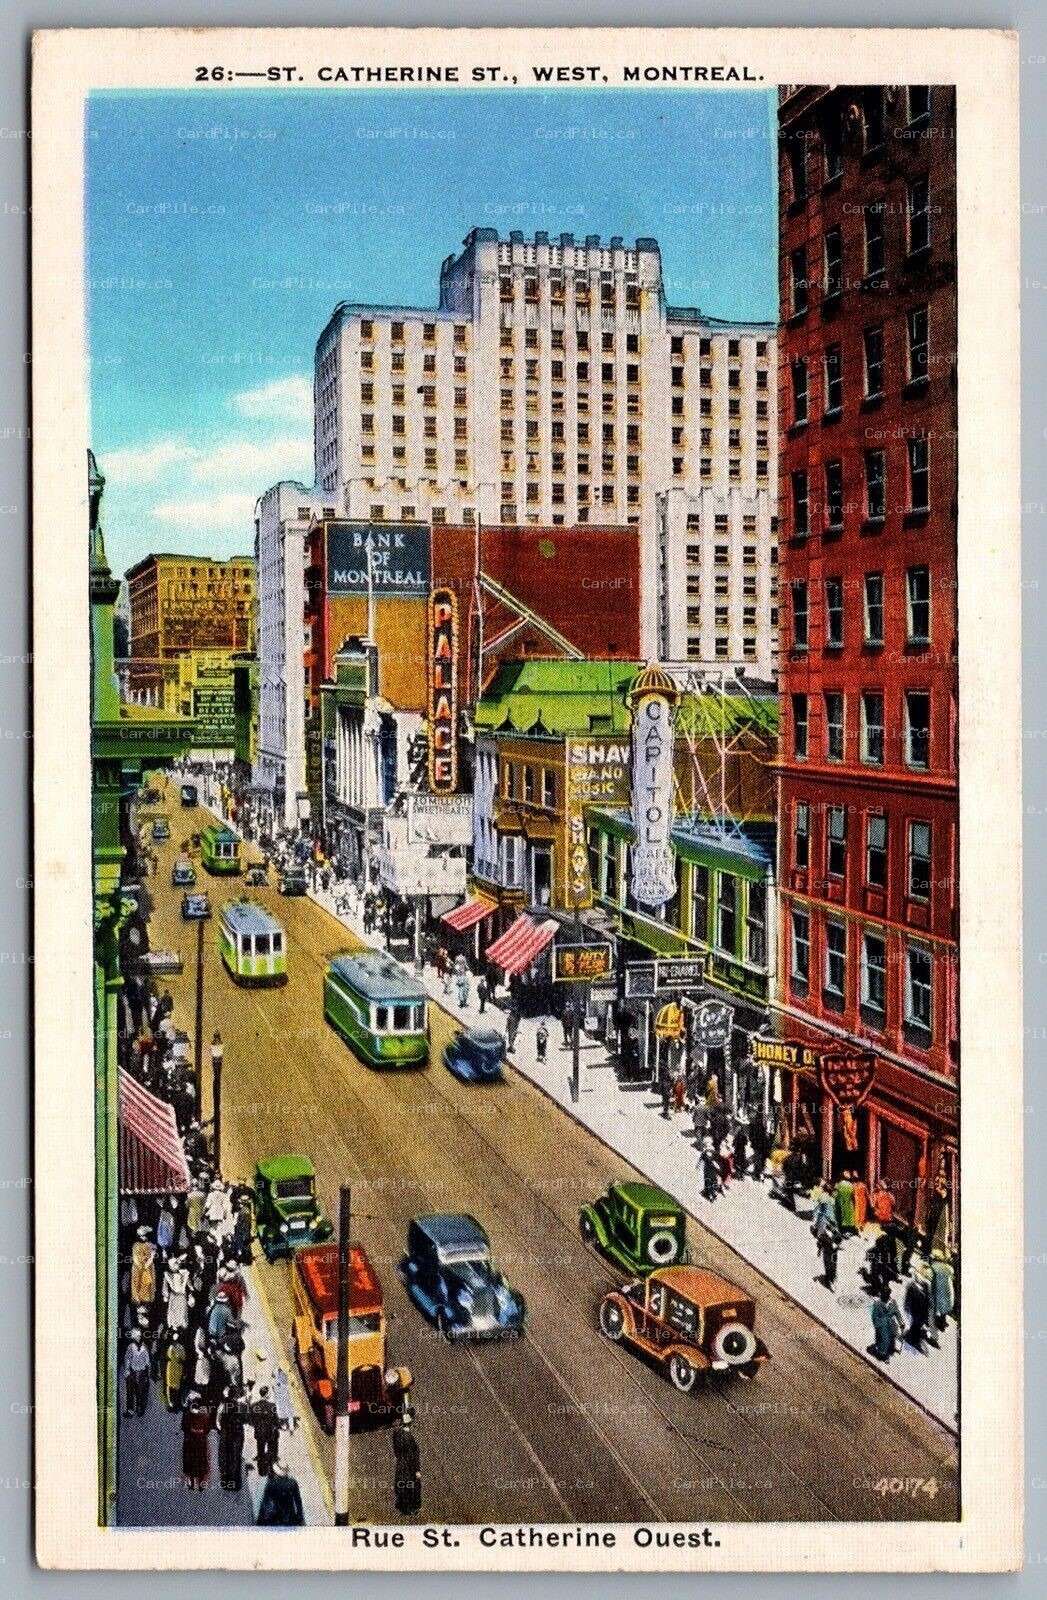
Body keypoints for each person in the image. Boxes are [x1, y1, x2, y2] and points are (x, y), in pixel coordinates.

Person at [392, 1405, 422, 1515]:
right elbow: (413, 1455)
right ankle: (410, 1508)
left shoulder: (397, 1432)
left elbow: (395, 1448)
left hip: (400, 1462)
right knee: (411, 1485)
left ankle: (403, 1506)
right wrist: (417, 1470)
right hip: (408, 1465)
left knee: (401, 1483)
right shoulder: (408, 1437)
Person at [257, 1460, 306, 1525]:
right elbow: (298, 1501)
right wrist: (300, 1517)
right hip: (289, 1514)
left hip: (275, 1514)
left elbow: (265, 1501)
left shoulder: (271, 1483)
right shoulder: (293, 1482)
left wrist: (260, 1519)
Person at [217, 1387, 246, 1491]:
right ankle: (235, 1482)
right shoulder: (239, 1405)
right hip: (237, 1431)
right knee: (235, 1455)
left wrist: (222, 1430)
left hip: (226, 1432)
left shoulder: (222, 1404)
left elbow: (218, 1420)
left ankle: (225, 1481)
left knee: (224, 1454)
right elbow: (244, 1418)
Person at [181, 1392, 212, 1490]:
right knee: (202, 1462)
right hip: (201, 1441)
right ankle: (201, 1484)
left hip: (189, 1441)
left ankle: (190, 1482)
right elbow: (208, 1429)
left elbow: (183, 1428)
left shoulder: (187, 1415)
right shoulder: (206, 1416)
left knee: (188, 1462)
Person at [252, 1385, 281, 1477]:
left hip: (259, 1433)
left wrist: (257, 1426)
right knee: (270, 1451)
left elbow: (251, 1420)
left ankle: (261, 1471)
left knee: (260, 1451)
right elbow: (276, 1421)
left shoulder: (254, 1406)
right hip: (269, 1433)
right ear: (267, 1394)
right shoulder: (272, 1406)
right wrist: (278, 1426)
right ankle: (270, 1471)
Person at [121, 1328, 151, 1417]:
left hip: (141, 1372)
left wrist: (146, 1372)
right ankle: (130, 1410)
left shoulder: (144, 1347)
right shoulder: (130, 1347)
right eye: (136, 1336)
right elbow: (127, 1359)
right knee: (130, 1392)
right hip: (132, 1372)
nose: (138, 1338)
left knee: (140, 1392)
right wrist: (127, 1370)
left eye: (139, 1336)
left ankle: (140, 1408)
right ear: (133, 1337)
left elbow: (147, 1361)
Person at [869, 1288, 905, 1362]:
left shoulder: (893, 1302)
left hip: (891, 1325)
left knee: (890, 1340)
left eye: (887, 1295)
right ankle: (883, 1355)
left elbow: (897, 1313)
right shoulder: (877, 1304)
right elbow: (874, 1318)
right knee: (883, 1340)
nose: (885, 1296)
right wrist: (879, 1326)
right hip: (882, 1326)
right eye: (884, 1295)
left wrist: (901, 1322)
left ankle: (885, 1351)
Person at [904, 1265, 933, 1352]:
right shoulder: (911, 1287)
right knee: (916, 1326)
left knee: (922, 1323)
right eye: (918, 1277)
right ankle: (914, 1341)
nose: (921, 1279)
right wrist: (908, 1309)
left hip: (924, 1310)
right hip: (915, 1311)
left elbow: (928, 1297)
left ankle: (922, 1335)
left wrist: (929, 1306)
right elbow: (908, 1300)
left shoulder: (926, 1285)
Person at [929, 1248, 956, 1333]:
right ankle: (942, 1323)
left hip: (939, 1291)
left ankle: (940, 1323)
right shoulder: (947, 1268)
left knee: (937, 1308)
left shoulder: (934, 1267)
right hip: (947, 1291)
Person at [130, 1227, 157, 1307]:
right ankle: (139, 1302)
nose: (143, 1237)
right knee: (138, 1285)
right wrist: (146, 1262)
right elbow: (136, 1260)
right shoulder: (136, 1246)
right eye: (141, 1236)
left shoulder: (150, 1245)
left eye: (144, 1235)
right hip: (139, 1269)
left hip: (147, 1269)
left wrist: (150, 1258)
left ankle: (145, 1302)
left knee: (147, 1285)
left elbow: (150, 1258)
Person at [162, 1336, 186, 1412]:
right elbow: (183, 1357)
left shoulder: (171, 1347)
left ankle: (171, 1403)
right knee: (176, 1388)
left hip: (171, 1367)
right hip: (176, 1367)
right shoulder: (180, 1347)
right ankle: (174, 1404)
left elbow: (168, 1355)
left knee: (170, 1386)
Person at [273, 1366, 297, 1434]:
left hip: (284, 1394)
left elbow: (293, 1383)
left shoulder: (282, 1372)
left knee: (286, 1410)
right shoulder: (277, 1371)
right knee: (286, 1410)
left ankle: (288, 1425)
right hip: (283, 1394)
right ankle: (288, 1425)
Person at [818, 1222, 842, 1291]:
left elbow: (840, 1239)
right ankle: (828, 1281)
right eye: (831, 1228)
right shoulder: (823, 1235)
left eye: (832, 1228)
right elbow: (819, 1243)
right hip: (827, 1253)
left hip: (834, 1253)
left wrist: (836, 1245)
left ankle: (833, 1277)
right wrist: (819, 1251)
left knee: (834, 1265)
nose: (833, 1229)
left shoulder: (835, 1233)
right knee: (828, 1266)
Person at [833, 1171, 857, 1236]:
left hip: (840, 1203)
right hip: (849, 1203)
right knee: (849, 1217)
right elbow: (853, 1195)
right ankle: (849, 1231)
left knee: (841, 1216)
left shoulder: (838, 1184)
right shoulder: (851, 1185)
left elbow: (834, 1194)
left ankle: (842, 1231)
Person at [700, 1137, 720, 1203]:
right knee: (713, 1181)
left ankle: (710, 1195)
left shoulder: (705, 1152)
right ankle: (713, 1193)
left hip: (708, 1169)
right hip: (712, 1170)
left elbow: (703, 1159)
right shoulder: (713, 1150)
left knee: (708, 1181)